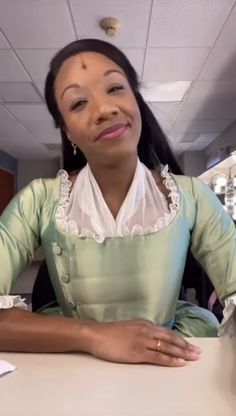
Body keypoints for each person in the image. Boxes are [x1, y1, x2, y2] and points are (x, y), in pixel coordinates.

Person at [0, 39, 236, 366]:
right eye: (79, 102)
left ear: (135, 100)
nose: (104, 109)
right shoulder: (37, 200)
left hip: (170, 359)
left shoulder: (192, 195)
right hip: (72, 363)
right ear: (67, 131)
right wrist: (93, 335)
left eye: (114, 88)